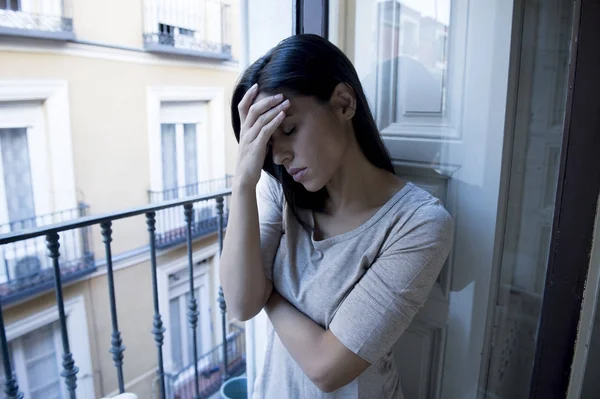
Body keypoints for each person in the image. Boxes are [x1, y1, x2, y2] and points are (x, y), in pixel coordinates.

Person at [220, 34, 454, 399]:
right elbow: (240, 303)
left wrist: (269, 291)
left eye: (289, 130)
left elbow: (327, 368)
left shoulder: (418, 223)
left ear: (344, 103)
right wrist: (242, 183)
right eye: (267, 144)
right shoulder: (280, 191)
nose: (279, 156)